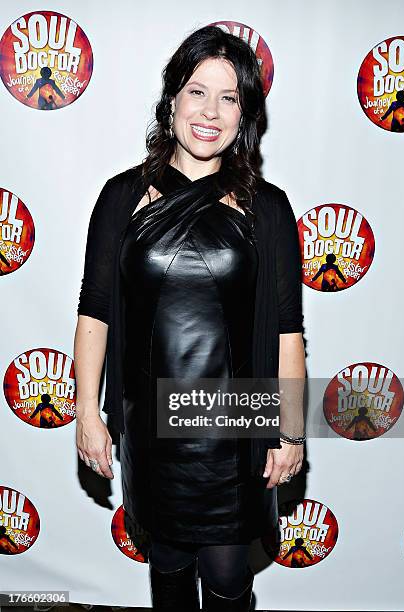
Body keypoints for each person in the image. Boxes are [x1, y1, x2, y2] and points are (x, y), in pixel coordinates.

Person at [74, 25, 306, 612]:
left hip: (235, 426)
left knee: (229, 577)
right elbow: (95, 312)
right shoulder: (122, 196)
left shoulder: (268, 206)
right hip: (149, 420)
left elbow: (286, 329)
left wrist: (292, 430)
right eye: (197, 91)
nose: (210, 112)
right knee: (169, 568)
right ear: (171, 98)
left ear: (244, 114)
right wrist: (86, 414)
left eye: (229, 98)